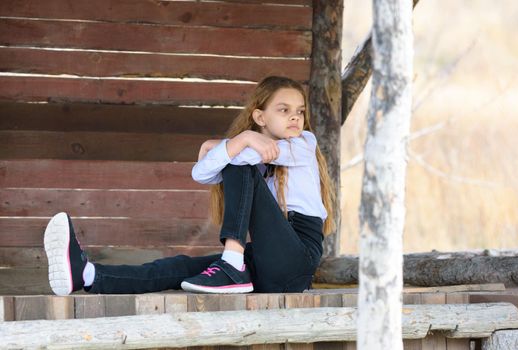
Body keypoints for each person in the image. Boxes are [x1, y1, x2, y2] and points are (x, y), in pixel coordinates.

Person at [44, 76, 334, 296]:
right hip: (267, 260)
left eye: (300, 110)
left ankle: (232, 265)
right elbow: (202, 173)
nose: (295, 117)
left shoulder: (304, 144)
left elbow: (223, 163)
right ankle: (89, 275)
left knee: (235, 162)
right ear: (260, 117)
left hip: (297, 261)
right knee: (182, 267)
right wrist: (241, 141)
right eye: (284, 110)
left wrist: (237, 141)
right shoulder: (250, 153)